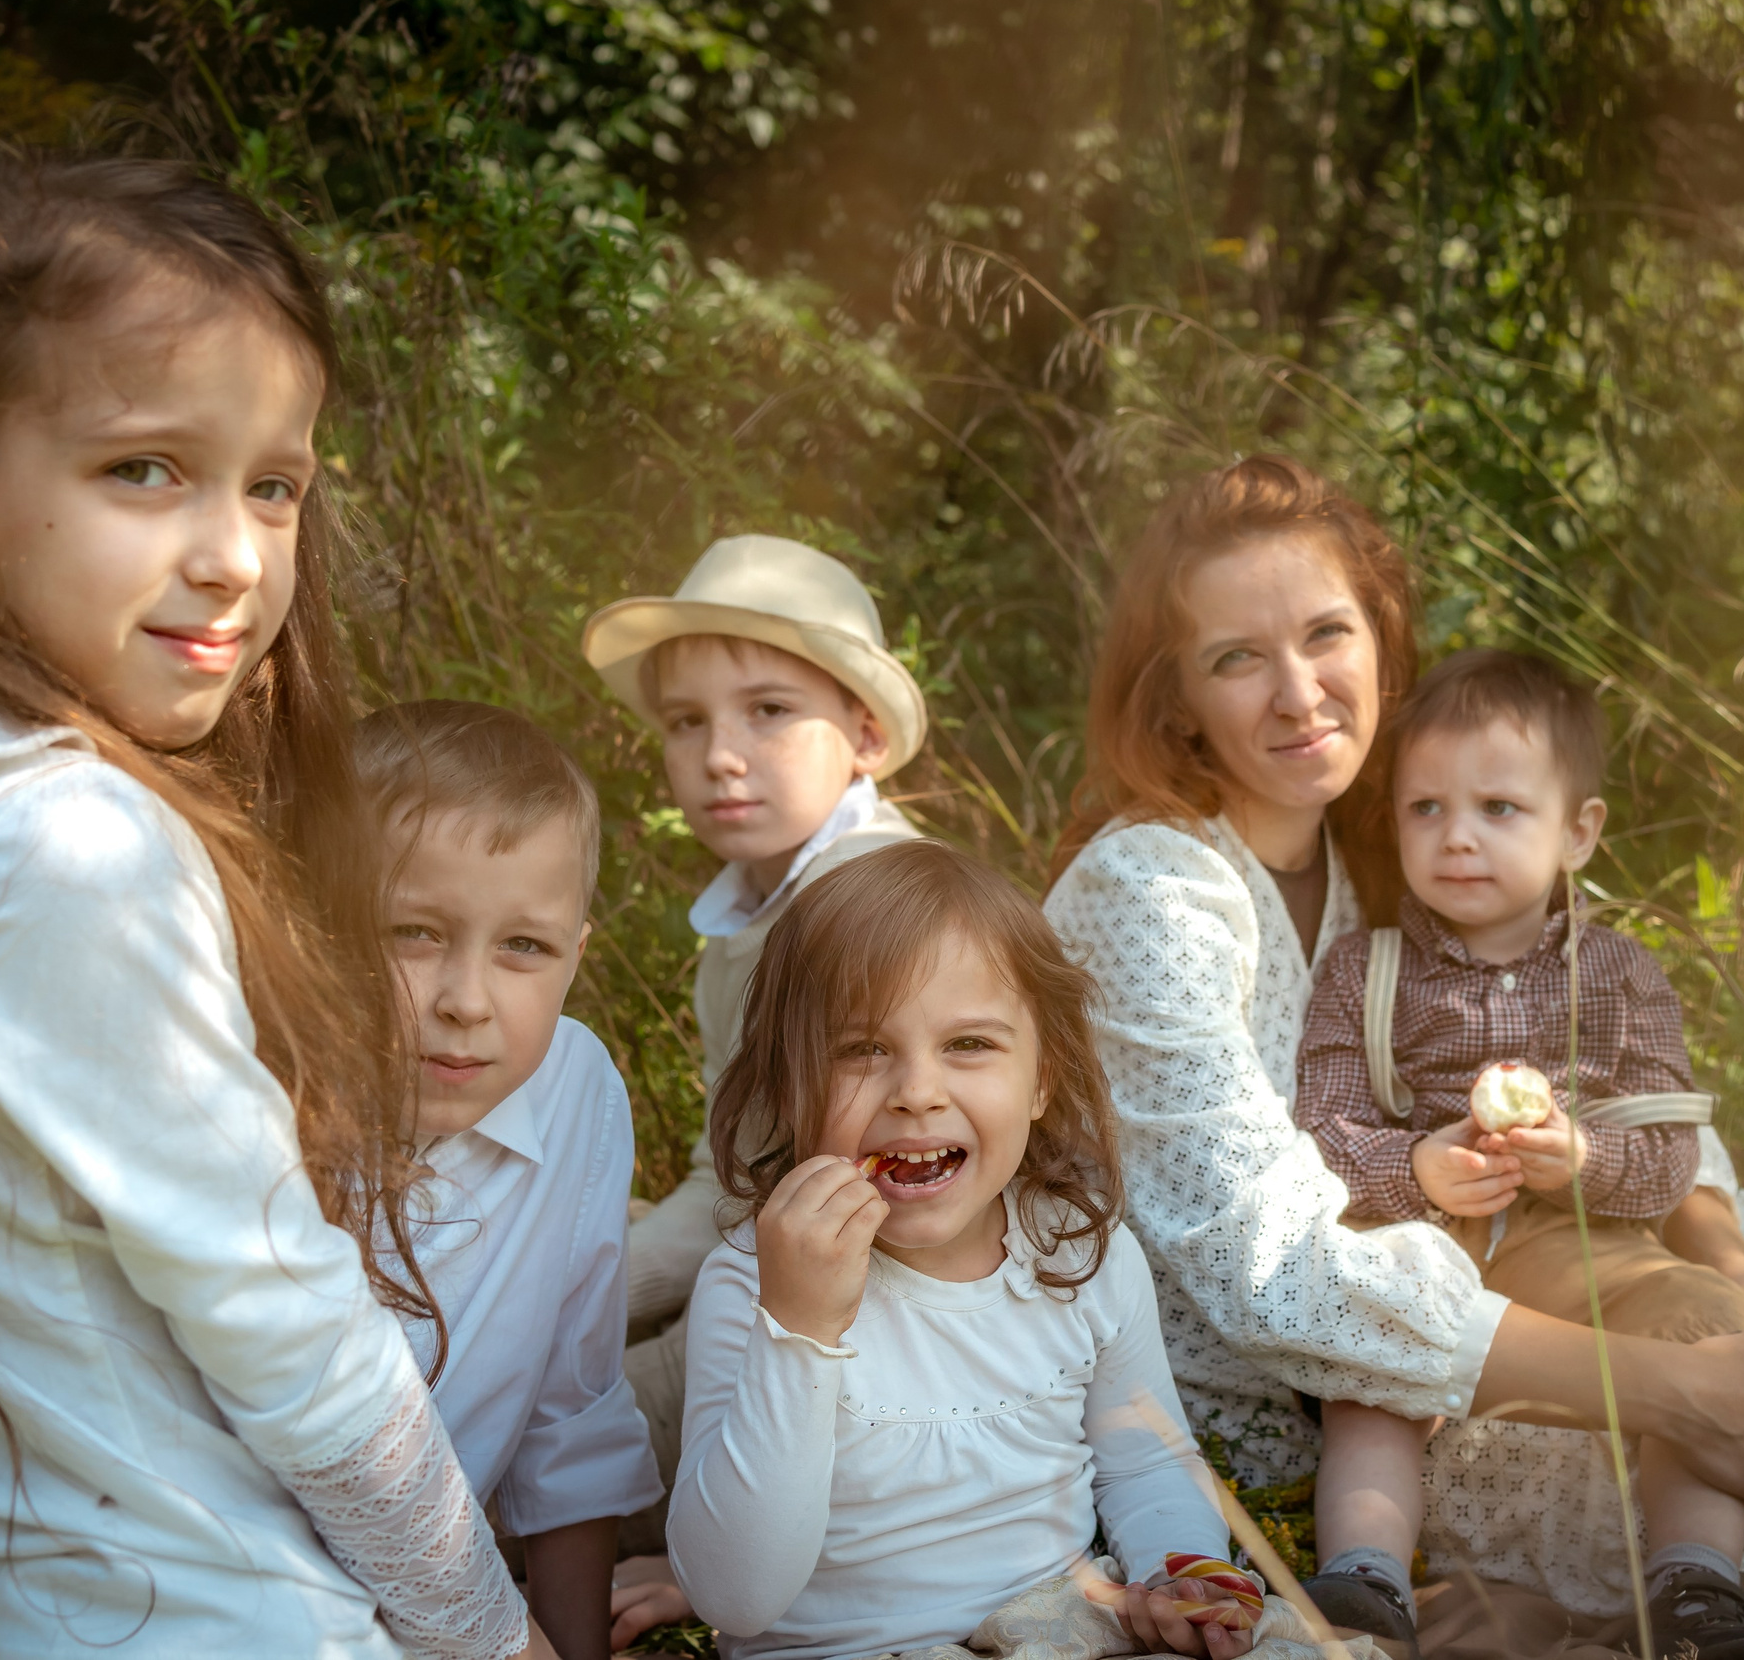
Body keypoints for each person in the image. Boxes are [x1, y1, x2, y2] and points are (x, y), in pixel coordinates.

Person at [0, 148, 549, 1658]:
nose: (235, 560)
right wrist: (490, 1634)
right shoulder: (63, 843)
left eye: (275, 485)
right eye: (143, 467)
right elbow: (289, 1329)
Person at [1041, 455, 1744, 1648]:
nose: (1300, 694)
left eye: (1324, 634)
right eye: (1236, 658)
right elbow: (1267, 1271)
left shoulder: (1391, 849)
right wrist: (1677, 1390)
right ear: (1175, 700)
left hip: (1445, 1297)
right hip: (1263, 1397)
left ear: (1381, 643)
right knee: (1723, 1437)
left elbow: (1620, 1088)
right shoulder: (1150, 890)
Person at [1294, 648, 1744, 1657]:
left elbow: (1669, 1153)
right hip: (1428, 1242)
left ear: (1577, 831)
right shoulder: (1366, 968)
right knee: (1372, 1361)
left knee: (1706, 1321)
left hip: (1588, 1242)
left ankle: (1694, 1589)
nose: (1457, 838)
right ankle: (1364, 1580)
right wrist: (1413, 1168)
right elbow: (1325, 1126)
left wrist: (1589, 1160)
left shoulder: (1618, 975)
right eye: (1425, 809)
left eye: (1498, 809)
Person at [666, 840, 1258, 1659]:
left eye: (969, 1045)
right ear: (788, 1085)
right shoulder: (752, 1285)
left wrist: (1180, 1573)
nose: (916, 1089)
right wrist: (798, 1328)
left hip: (1057, 1628)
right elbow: (736, 1594)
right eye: (861, 1049)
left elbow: (1144, 1465)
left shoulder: (1079, 1255)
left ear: (1042, 1077)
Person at [582, 534, 927, 1491]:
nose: (719, 756)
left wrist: (598, 1319)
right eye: (686, 722)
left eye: (770, 712)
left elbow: (881, 1203)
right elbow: (732, 1171)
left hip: (883, 1312)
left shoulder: (873, 903)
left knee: (548, 1456)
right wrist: (596, 1290)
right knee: (546, 1340)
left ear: (864, 734)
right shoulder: (742, 914)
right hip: (776, 1263)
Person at [353, 701, 665, 1660]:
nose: (466, 1000)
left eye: (521, 946)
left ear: (575, 955)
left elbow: (570, 1410)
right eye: (413, 931)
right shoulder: (262, 1106)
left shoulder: (578, 1090)